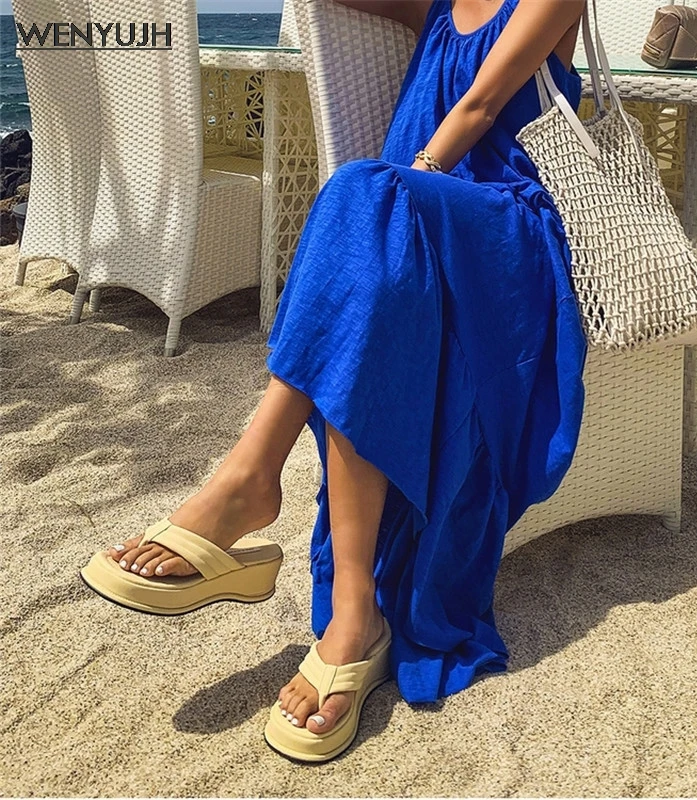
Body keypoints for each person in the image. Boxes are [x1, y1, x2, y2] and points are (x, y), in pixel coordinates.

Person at [80, 0, 589, 762]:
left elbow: (481, 106)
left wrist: (402, 185)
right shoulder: (437, 8)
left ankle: (249, 478)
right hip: (408, 237)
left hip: (505, 229)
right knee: (373, 254)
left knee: (362, 195)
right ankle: (354, 610)